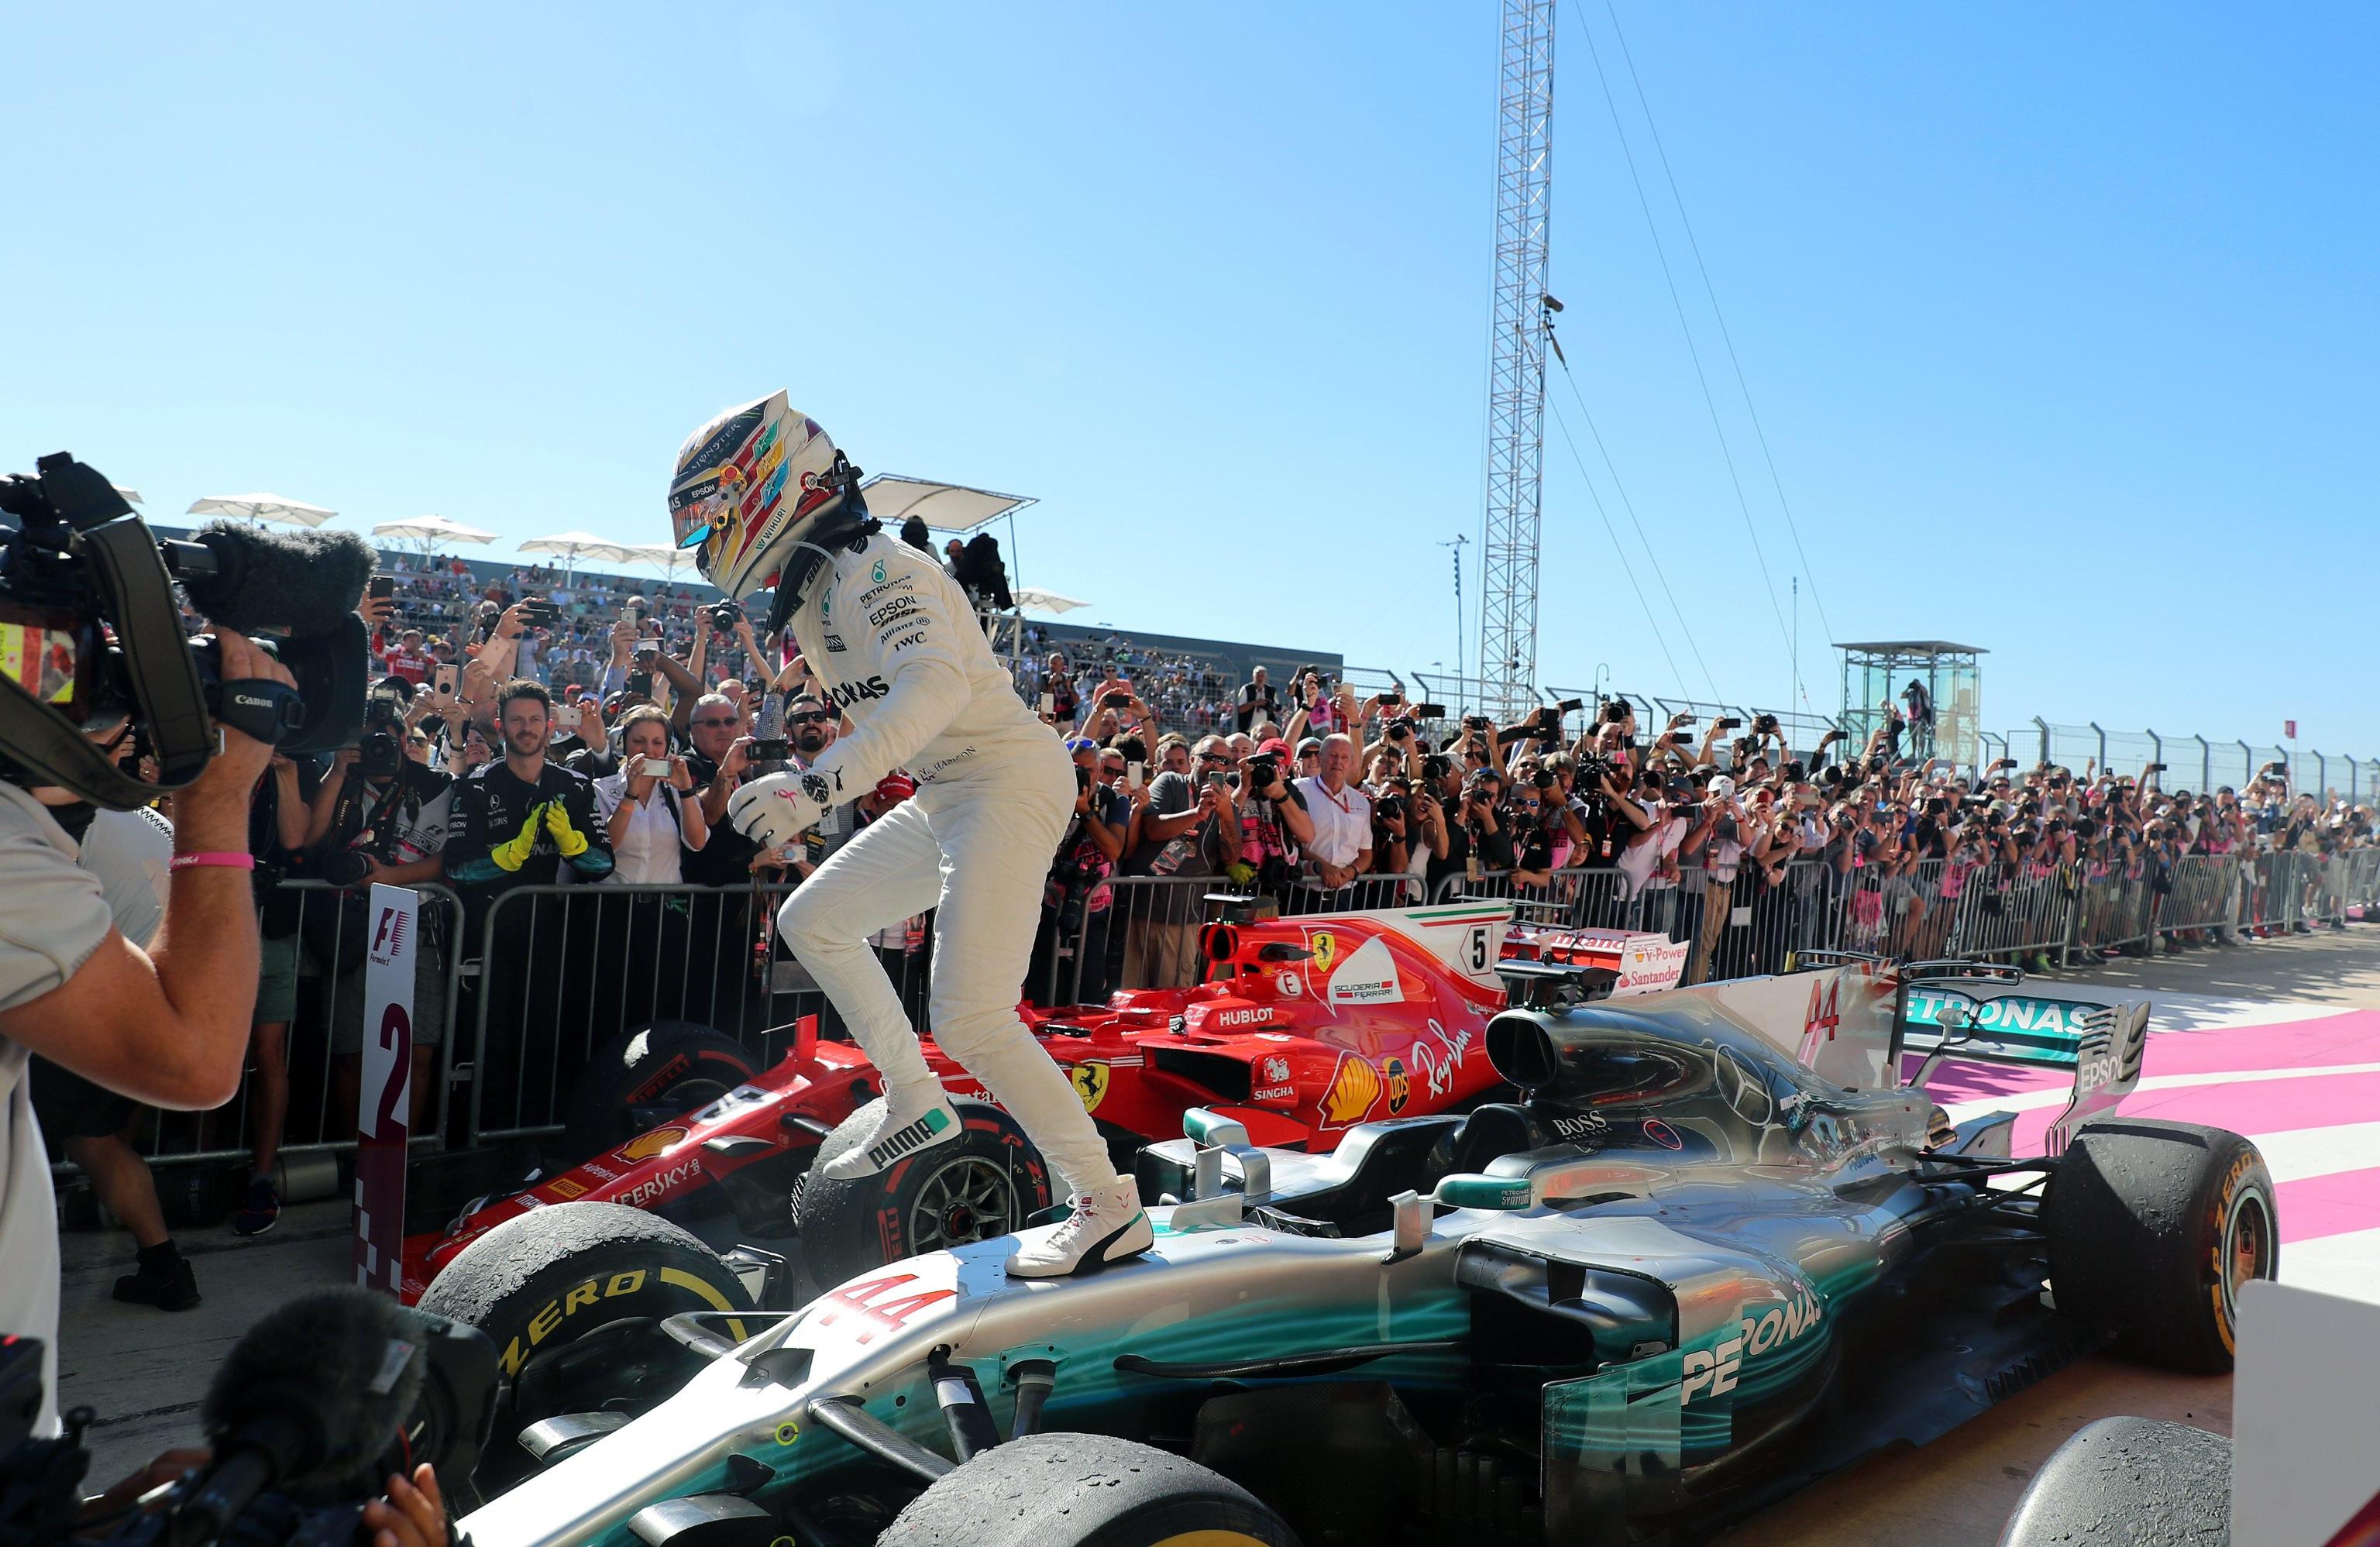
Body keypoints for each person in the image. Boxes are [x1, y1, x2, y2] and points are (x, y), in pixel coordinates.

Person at [678, 392, 1150, 1276]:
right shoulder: (823, 583)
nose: (706, 540)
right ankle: (915, 1097)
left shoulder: (872, 570)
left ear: (770, 487)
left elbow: (927, 694)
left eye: (713, 514)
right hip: (952, 790)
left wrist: (816, 786)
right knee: (811, 919)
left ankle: (1108, 1204)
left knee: (970, 1013)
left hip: (1003, 781)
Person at [2, 631, 293, 1432]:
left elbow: (194, 1054)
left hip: (128, 990)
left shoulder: (44, 828)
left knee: (95, 1146)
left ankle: (163, 1261)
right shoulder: (45, 831)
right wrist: (218, 791)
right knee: (98, 1144)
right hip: (132, 986)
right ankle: (162, 1261)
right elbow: (196, 1058)